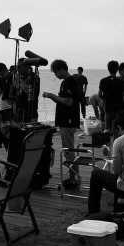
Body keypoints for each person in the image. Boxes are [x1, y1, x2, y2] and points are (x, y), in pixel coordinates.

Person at [43, 59, 82, 188]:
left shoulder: (70, 82)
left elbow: (68, 102)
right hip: (67, 120)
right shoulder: (67, 82)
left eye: (56, 72)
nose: (56, 75)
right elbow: (63, 100)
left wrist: (51, 96)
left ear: (61, 69)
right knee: (68, 150)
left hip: (68, 121)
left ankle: (74, 178)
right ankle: (73, 177)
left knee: (69, 150)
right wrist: (54, 98)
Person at [97, 60, 124, 135]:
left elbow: (99, 94)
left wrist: (104, 100)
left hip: (108, 108)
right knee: (117, 129)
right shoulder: (120, 81)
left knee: (107, 130)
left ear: (108, 69)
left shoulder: (103, 81)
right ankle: (116, 140)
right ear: (117, 69)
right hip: (119, 109)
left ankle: (108, 140)